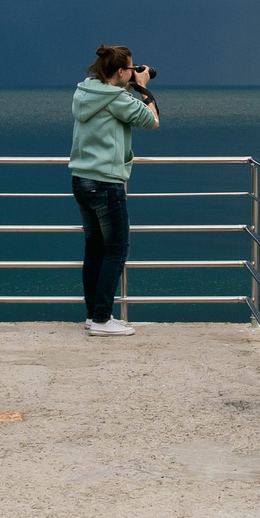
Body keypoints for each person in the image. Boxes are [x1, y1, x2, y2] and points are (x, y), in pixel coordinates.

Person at [69, 44, 159, 335]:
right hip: (106, 183)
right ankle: (102, 319)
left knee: (94, 249)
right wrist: (143, 88)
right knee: (116, 249)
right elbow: (153, 121)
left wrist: (129, 85)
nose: (135, 72)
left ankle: (93, 314)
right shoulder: (118, 99)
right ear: (121, 71)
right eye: (131, 69)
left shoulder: (85, 91)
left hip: (81, 179)